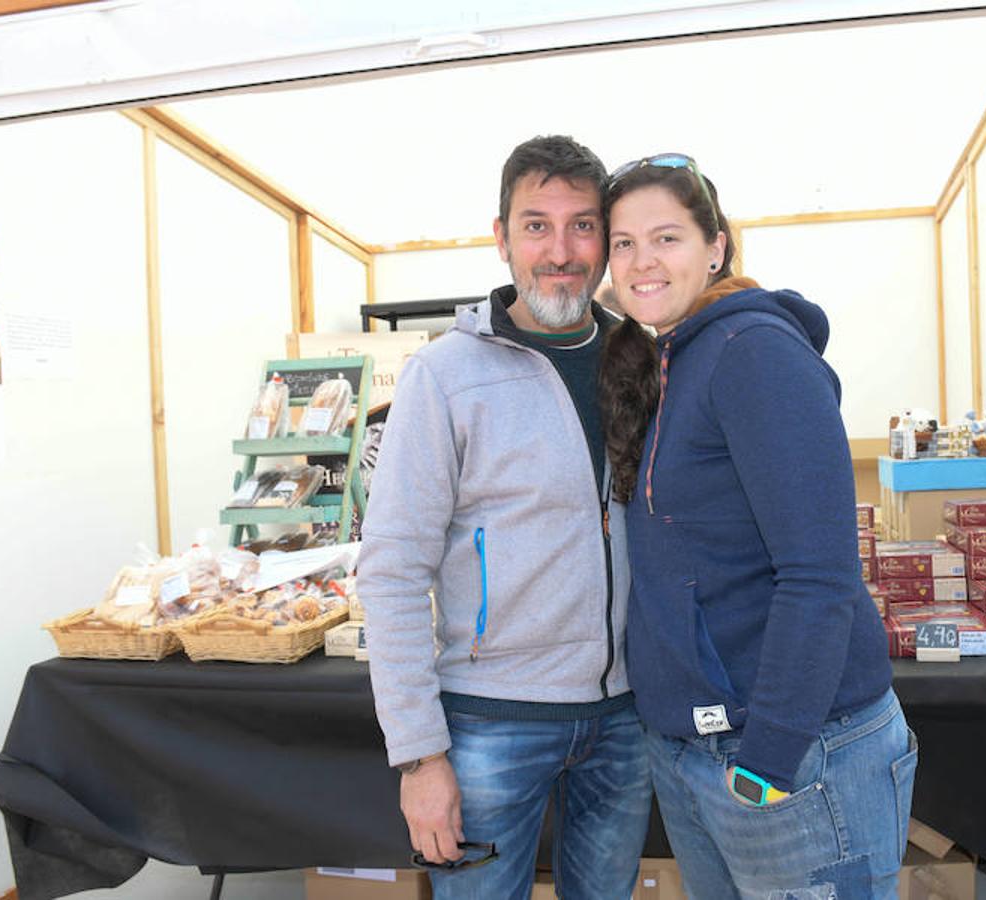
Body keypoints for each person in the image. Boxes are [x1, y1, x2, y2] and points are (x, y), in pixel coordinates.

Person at [599, 154, 917, 899]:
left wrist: (769, 760)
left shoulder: (755, 354)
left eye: (667, 237)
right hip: (700, 752)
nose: (643, 261)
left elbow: (821, 573)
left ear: (717, 245)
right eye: (624, 242)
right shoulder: (669, 359)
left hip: (798, 752)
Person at [358, 135, 650, 900]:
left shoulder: (640, 359)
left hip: (625, 720)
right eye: (536, 225)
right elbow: (391, 572)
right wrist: (419, 758)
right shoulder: (442, 378)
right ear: (500, 238)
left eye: (582, 225)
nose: (561, 250)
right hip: (489, 724)